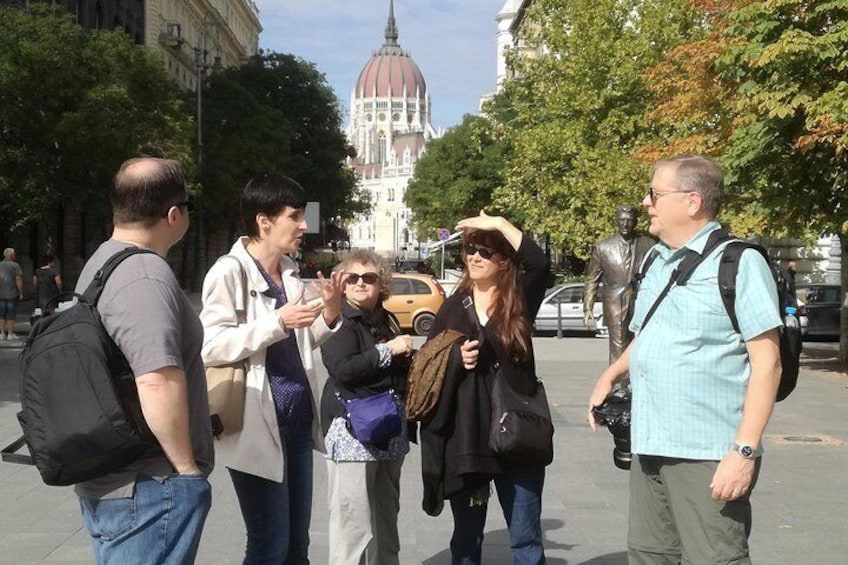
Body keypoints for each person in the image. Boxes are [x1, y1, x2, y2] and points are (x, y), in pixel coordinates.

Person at [588, 155, 782, 565]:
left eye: (655, 194)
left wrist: (743, 454)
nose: (645, 202)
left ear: (691, 202)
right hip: (650, 442)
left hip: (708, 454)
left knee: (713, 558)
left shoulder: (738, 263)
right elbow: (647, 335)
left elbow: (768, 364)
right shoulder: (658, 260)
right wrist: (611, 374)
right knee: (648, 555)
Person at [74, 158, 214, 563]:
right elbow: (156, 379)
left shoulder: (101, 263)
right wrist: (187, 471)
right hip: (150, 486)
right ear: (174, 214)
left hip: (117, 481)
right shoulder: (145, 274)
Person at [199, 173, 344, 564]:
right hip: (255, 425)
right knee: (269, 545)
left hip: (296, 424)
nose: (303, 225)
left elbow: (299, 342)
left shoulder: (291, 271)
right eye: (294, 216)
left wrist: (329, 314)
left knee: (298, 544)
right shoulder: (229, 271)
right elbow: (210, 346)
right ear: (264, 221)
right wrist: (277, 321)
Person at [424, 210, 551, 565]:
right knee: (466, 537)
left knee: (525, 537)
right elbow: (427, 362)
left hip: (517, 434)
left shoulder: (520, 302)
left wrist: (497, 224)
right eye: (470, 250)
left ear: (504, 260)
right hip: (469, 438)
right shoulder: (453, 306)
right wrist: (454, 357)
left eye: (486, 251)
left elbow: (538, 263)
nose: (475, 257)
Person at [319, 249, 414, 565]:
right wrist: (387, 350)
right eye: (352, 278)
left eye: (369, 277)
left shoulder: (385, 318)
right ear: (342, 285)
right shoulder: (338, 319)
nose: (360, 283)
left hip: (388, 432)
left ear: (381, 284)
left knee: (386, 519)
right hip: (352, 435)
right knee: (352, 526)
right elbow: (343, 369)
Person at [584, 205, 655, 363]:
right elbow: (592, 279)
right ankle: (619, 386)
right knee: (618, 347)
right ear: (616, 220)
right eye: (622, 220)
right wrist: (588, 306)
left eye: (629, 220)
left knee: (641, 345)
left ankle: (634, 384)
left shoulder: (649, 245)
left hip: (642, 302)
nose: (625, 224)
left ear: (635, 222)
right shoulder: (603, 247)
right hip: (615, 304)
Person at [0, 247, 23, 340]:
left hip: (0, 294)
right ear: (11, 255)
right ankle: (10, 333)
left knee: (1, 314)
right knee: (11, 314)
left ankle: (1, 333)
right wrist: (21, 292)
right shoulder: (15, 266)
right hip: (12, 293)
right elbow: (18, 279)